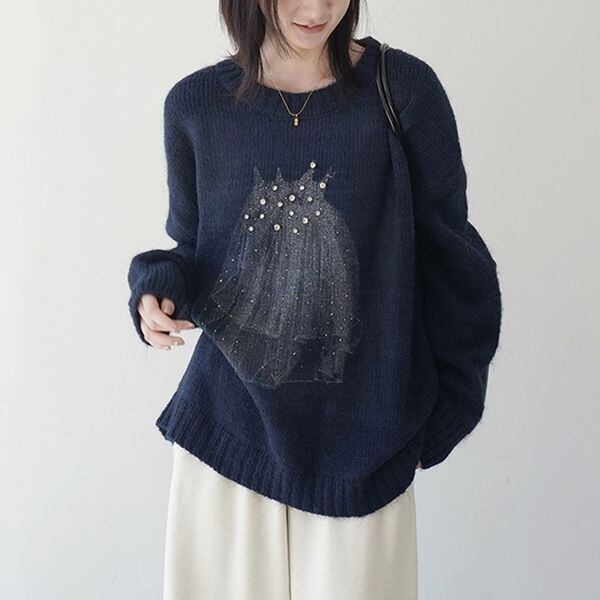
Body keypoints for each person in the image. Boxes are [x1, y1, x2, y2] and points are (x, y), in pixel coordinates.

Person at [126, 1, 503, 598]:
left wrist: (454, 403)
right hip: (227, 439)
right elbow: (199, 253)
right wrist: (157, 286)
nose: (319, 8)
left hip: (366, 453)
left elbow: (454, 259)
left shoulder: (402, 91)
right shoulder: (195, 105)